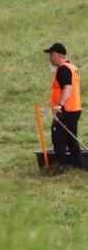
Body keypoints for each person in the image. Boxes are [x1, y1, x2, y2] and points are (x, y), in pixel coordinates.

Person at [44, 42, 82, 174]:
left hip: (65, 110)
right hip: (75, 108)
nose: (50, 58)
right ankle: (78, 166)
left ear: (60, 55)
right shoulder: (72, 67)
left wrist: (59, 105)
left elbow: (68, 87)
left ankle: (61, 166)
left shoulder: (63, 69)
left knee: (58, 138)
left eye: (52, 55)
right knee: (72, 139)